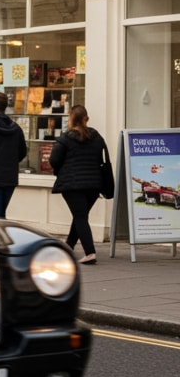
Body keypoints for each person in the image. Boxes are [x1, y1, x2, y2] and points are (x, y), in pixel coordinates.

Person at [50, 104, 108, 264]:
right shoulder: (97, 138)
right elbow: (101, 159)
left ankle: (90, 252)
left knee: (80, 216)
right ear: (86, 119)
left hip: (72, 184)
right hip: (94, 185)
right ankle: (69, 244)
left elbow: (54, 160)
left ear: (70, 119)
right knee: (81, 215)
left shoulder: (66, 138)